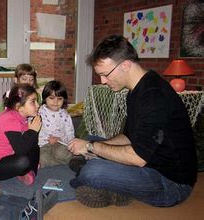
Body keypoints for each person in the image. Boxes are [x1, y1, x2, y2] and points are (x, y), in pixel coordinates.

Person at [68, 35, 197, 208]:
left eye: (105, 74)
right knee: (93, 138)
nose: (103, 81)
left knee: (93, 170)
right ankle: (110, 184)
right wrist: (93, 146)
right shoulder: (136, 90)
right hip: (148, 162)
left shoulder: (154, 96)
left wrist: (90, 148)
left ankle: (94, 177)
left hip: (171, 183)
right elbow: (128, 136)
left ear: (126, 65)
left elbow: (138, 158)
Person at [0, 84, 41, 185]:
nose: (38, 105)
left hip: (7, 155)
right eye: (33, 102)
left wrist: (32, 132)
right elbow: (21, 150)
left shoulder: (18, 115)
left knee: (34, 145)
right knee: (22, 162)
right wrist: (32, 131)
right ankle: (25, 171)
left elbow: (29, 143)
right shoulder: (10, 120)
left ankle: (28, 171)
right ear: (18, 106)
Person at [38, 80, 75, 167]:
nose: (55, 102)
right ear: (45, 98)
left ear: (64, 100)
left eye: (59, 99)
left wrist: (59, 139)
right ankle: (50, 162)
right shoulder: (39, 112)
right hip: (43, 145)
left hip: (60, 143)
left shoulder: (65, 115)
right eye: (51, 98)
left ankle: (75, 158)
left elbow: (70, 133)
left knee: (60, 153)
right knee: (42, 158)